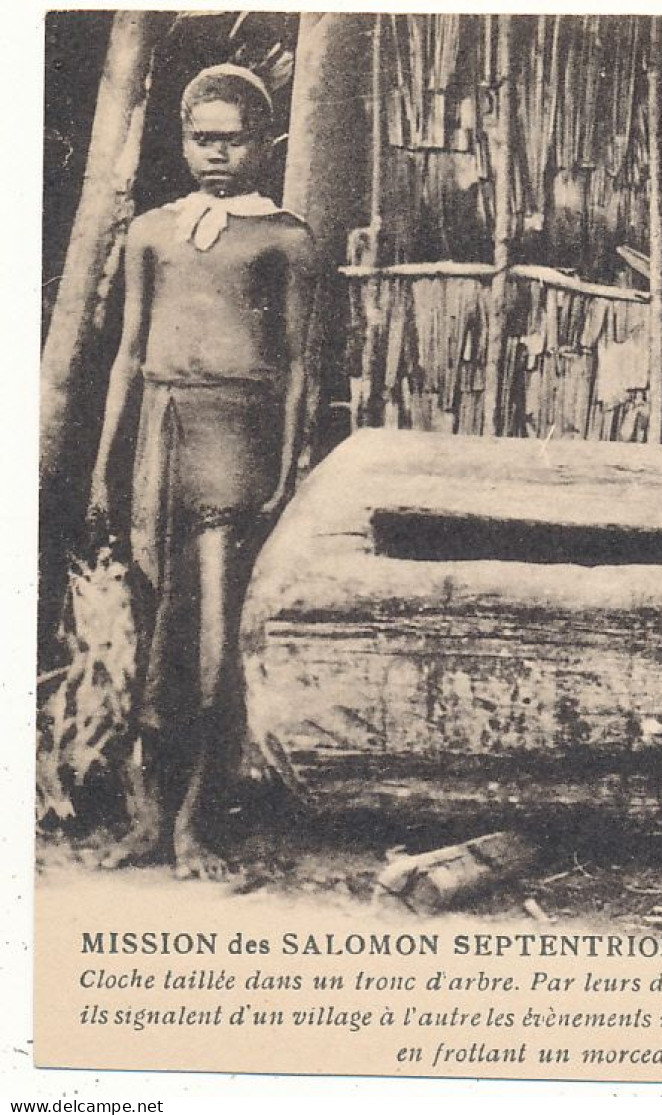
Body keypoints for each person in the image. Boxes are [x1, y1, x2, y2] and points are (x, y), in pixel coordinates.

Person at [86, 64, 315, 879]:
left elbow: (295, 367)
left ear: (264, 143)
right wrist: (106, 467)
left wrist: (285, 468)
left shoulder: (285, 238)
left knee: (214, 639)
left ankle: (199, 828)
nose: (216, 155)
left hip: (235, 441)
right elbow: (126, 356)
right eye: (201, 138)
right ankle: (148, 820)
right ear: (183, 140)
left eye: (234, 139)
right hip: (159, 436)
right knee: (153, 629)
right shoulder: (152, 231)